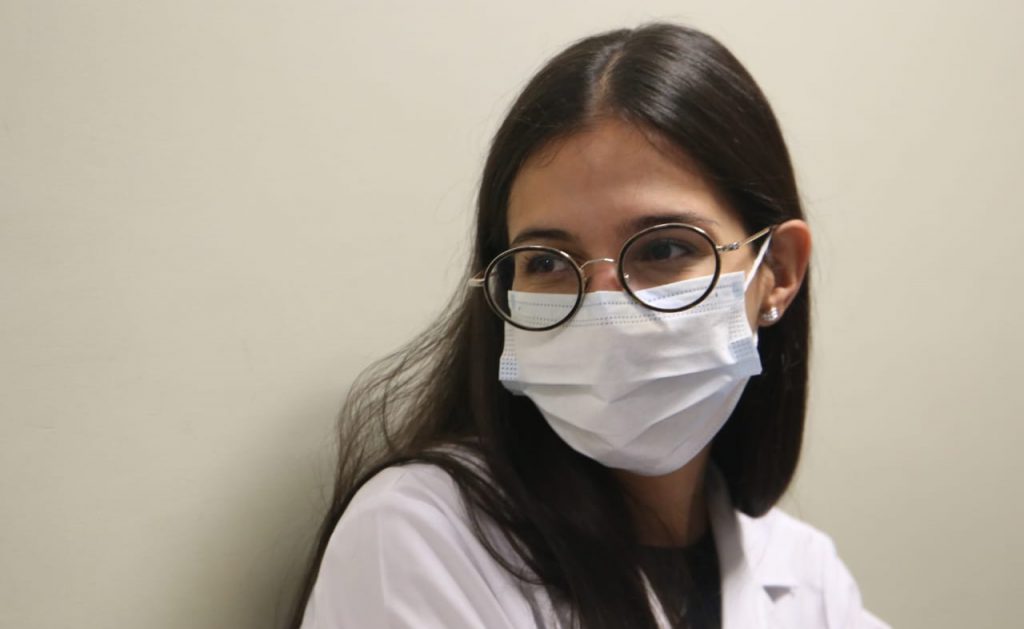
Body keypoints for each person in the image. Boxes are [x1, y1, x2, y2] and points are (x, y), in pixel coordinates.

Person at [291, 23, 888, 629]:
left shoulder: (807, 575)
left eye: (663, 249)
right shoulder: (418, 536)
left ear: (777, 271)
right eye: (548, 262)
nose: (604, 310)